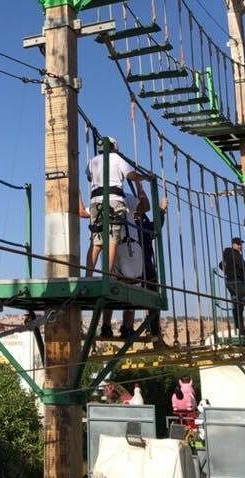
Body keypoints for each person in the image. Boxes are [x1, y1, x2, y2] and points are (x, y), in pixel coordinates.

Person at [85, 137, 143, 277]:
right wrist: (145, 178)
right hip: (114, 200)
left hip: (96, 202)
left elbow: (89, 177)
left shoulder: (92, 161)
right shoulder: (117, 158)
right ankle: (107, 275)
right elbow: (131, 175)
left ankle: (88, 275)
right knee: (112, 240)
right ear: (114, 148)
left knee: (96, 240)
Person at [100, 178, 149, 338]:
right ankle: (126, 327)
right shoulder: (128, 198)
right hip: (129, 246)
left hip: (112, 247)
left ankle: (106, 326)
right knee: (133, 285)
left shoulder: (101, 198)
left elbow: (84, 213)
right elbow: (146, 206)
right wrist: (139, 185)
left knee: (111, 284)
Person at [136, 197, 168, 344]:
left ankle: (148, 329)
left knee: (132, 298)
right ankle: (154, 331)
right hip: (144, 263)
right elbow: (153, 228)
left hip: (131, 264)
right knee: (154, 296)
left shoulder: (130, 218)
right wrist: (161, 210)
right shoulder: (138, 220)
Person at [219, 237, 245, 337]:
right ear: (234, 244)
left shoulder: (226, 255)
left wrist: (229, 271)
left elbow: (220, 265)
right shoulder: (235, 254)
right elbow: (243, 266)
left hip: (229, 283)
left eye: (241, 244)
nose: (240, 246)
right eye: (238, 244)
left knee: (238, 306)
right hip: (238, 283)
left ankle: (242, 332)